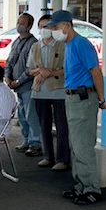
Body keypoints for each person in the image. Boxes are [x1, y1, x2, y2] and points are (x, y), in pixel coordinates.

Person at [46, 10, 106, 205]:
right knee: (75, 145)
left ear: (67, 26)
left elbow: (96, 72)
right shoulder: (69, 44)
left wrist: (102, 99)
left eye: (55, 27)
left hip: (83, 98)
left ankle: (91, 189)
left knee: (83, 146)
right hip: (74, 98)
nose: (53, 31)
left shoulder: (81, 44)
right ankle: (81, 185)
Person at [28, 14, 70, 171]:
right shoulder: (35, 47)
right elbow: (30, 70)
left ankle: (63, 159)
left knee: (62, 127)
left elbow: (67, 69)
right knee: (43, 125)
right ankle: (48, 156)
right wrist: (41, 70)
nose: (43, 29)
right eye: (41, 26)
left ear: (53, 28)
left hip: (59, 91)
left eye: (47, 26)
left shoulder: (63, 46)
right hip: (39, 91)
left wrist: (49, 72)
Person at [4, 13, 42, 156]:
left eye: (23, 22)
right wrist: (7, 77)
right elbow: (9, 61)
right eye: (18, 22)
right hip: (17, 87)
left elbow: (31, 68)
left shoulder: (33, 43)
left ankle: (35, 143)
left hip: (28, 86)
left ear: (29, 26)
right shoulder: (16, 42)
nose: (19, 25)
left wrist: (18, 81)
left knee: (31, 115)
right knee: (22, 115)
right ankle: (26, 140)